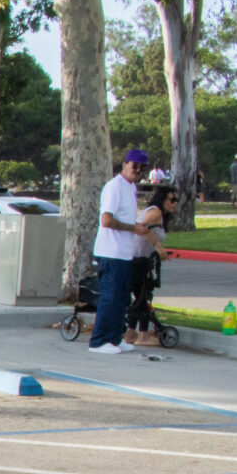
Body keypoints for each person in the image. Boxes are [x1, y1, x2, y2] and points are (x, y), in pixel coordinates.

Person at [91, 148, 154, 355]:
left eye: (141, 168)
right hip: (110, 251)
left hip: (124, 252)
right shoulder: (114, 187)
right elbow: (106, 220)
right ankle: (99, 341)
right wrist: (133, 228)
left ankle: (115, 338)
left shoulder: (130, 187)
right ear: (124, 164)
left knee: (121, 298)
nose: (137, 171)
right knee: (110, 297)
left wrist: (136, 226)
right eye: (134, 166)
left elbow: (125, 218)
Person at [125, 184, 177, 345]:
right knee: (143, 297)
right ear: (162, 199)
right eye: (172, 199)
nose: (175, 203)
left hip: (142, 260)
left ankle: (134, 333)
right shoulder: (155, 212)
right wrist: (158, 247)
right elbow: (141, 228)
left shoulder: (159, 215)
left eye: (177, 200)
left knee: (143, 296)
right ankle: (139, 335)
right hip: (136, 260)